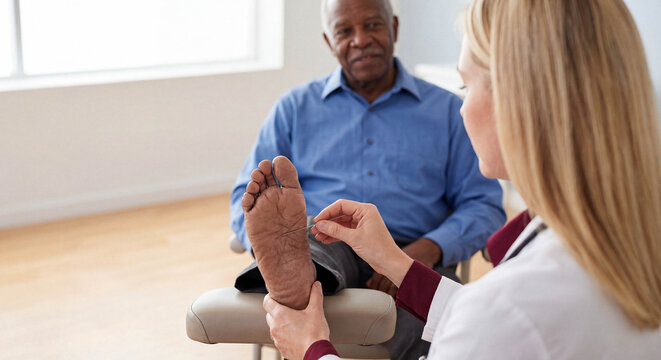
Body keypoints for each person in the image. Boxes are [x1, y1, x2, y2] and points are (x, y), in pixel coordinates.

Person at [256, 0, 661, 359]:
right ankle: (304, 270)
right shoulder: (628, 243)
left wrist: (312, 348)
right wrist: (395, 261)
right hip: (337, 250)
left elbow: (492, 320)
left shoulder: (502, 310)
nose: (462, 108)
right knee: (313, 233)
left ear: (520, 101)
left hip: (425, 249)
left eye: (466, 85)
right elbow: (487, 321)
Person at [231, 0, 505, 358]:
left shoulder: (450, 111)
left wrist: (427, 249)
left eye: (373, 25)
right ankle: (296, 271)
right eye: (345, 31)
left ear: (394, 27)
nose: (360, 39)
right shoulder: (294, 108)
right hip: (323, 238)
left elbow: (483, 204)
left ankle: (302, 276)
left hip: (413, 248)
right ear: (329, 41)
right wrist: (269, 241)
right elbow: (247, 197)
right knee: (309, 241)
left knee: (445, 325)